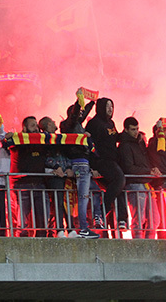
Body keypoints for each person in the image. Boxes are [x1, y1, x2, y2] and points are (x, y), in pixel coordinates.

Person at [59, 95, 99, 238]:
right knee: (83, 197)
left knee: (94, 191)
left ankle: (95, 219)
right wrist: (78, 102)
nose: (81, 115)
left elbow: (82, 114)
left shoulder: (77, 126)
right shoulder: (68, 124)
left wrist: (92, 102)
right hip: (80, 163)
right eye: (78, 113)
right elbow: (76, 114)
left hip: (83, 163)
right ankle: (83, 228)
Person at [85, 97, 128, 230]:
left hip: (113, 160)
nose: (110, 109)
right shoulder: (94, 123)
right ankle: (104, 209)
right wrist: (92, 165)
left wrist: (127, 134)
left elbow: (114, 138)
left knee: (120, 187)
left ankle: (122, 220)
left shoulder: (111, 123)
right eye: (107, 106)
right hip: (102, 160)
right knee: (120, 179)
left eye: (112, 106)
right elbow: (89, 145)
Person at [4, 116, 49, 237]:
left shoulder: (42, 141)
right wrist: (8, 137)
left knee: (43, 222)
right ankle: (20, 245)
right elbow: (5, 143)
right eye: (32, 126)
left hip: (40, 184)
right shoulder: (18, 141)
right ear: (24, 129)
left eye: (37, 126)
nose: (36, 129)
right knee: (22, 223)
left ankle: (42, 244)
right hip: (22, 185)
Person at [118, 116, 158, 239]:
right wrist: (149, 171)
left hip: (146, 184)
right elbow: (129, 168)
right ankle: (138, 243)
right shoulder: (124, 146)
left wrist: (151, 170)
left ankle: (150, 243)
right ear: (126, 130)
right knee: (139, 218)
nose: (136, 132)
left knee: (154, 218)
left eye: (137, 129)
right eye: (133, 129)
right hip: (134, 184)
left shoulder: (139, 144)